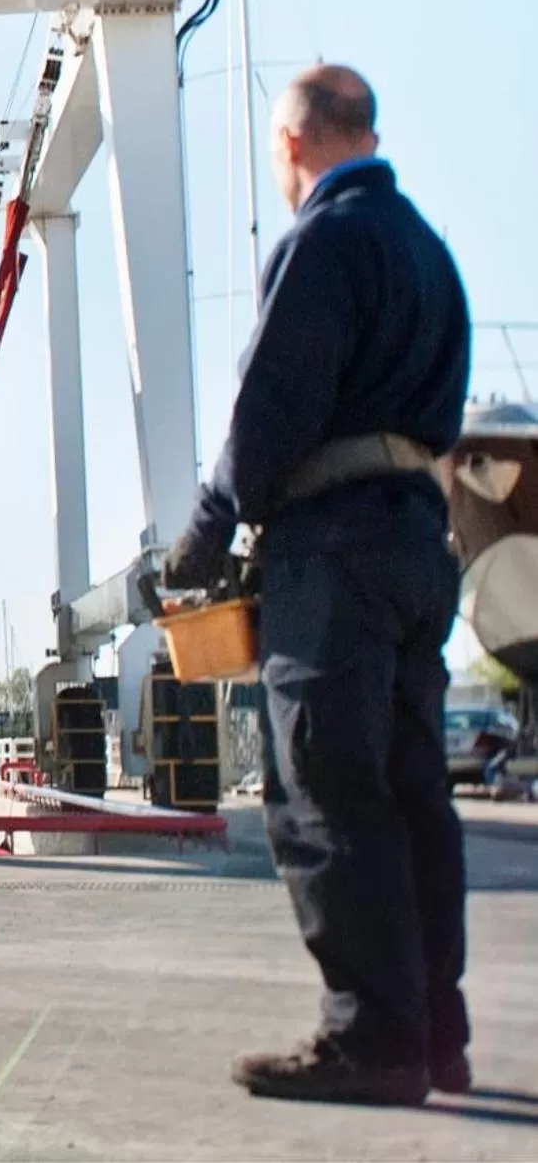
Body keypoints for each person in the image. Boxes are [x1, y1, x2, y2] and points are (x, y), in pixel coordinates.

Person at [163, 64, 471, 1107]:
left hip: (330, 549)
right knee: (412, 791)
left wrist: (206, 528)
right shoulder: (429, 252)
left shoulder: (324, 239)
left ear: (290, 148)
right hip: (418, 542)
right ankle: (434, 1030)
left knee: (326, 790)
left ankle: (371, 1037)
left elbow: (271, 402)